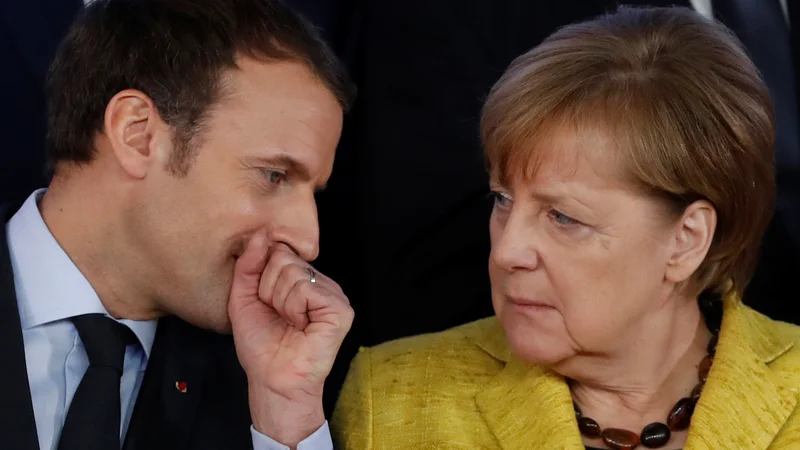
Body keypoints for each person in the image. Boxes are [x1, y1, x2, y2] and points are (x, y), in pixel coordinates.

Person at [333, 7, 800, 450]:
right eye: (502, 199)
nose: (506, 251)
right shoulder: (392, 399)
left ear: (687, 239)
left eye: (563, 217)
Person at [0, 0, 356, 449]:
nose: (308, 240)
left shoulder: (270, 381)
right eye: (274, 175)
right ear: (138, 134)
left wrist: (285, 417)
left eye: (313, 193)